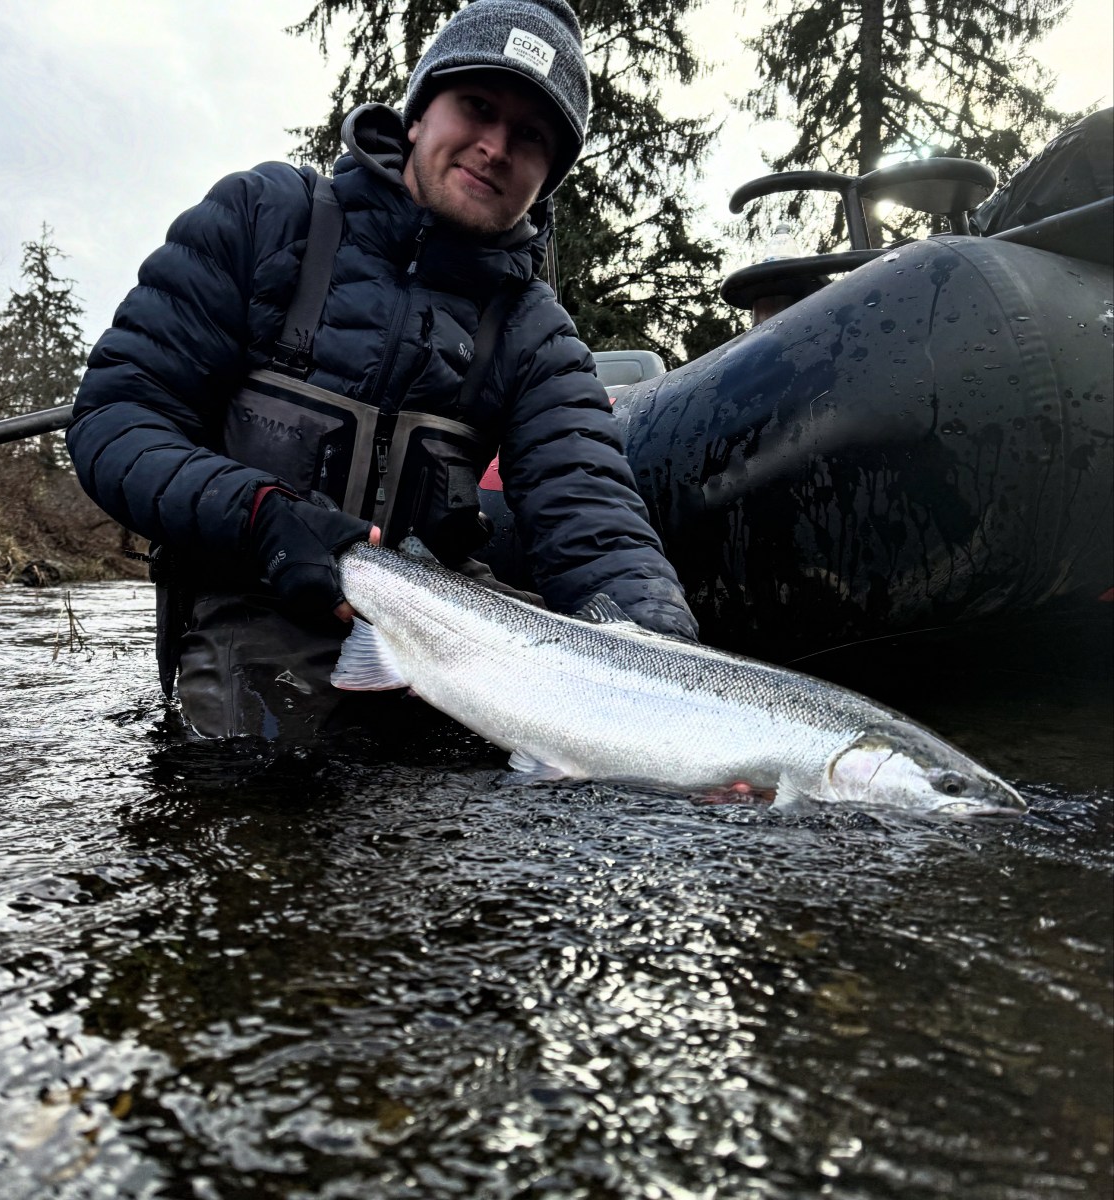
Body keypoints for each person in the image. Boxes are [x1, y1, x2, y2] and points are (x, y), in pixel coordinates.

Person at [67, 0, 699, 740]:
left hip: (448, 627)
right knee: (252, 793)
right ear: (419, 115)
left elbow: (595, 527)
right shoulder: (266, 218)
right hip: (253, 600)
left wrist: (676, 687)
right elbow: (117, 422)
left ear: (546, 177)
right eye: (477, 106)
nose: (495, 146)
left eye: (529, 136)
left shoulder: (537, 334)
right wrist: (265, 519)